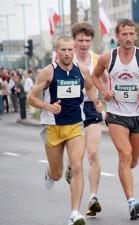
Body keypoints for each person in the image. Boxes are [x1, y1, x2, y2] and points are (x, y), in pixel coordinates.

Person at [91, 18, 139, 220]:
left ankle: (125, 173)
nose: (129, 38)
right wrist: (104, 90)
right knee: (125, 154)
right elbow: (94, 77)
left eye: (132, 34)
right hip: (116, 113)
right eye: (124, 34)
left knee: (133, 160)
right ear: (117, 36)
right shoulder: (107, 58)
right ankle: (132, 201)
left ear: (136, 36)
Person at [27, 36, 102, 225]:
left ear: (74, 50)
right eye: (63, 50)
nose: (67, 53)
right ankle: (50, 172)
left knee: (77, 166)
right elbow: (31, 98)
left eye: (70, 50)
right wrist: (48, 106)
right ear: (57, 51)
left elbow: (91, 87)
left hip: (76, 124)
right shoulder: (48, 72)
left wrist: (96, 100)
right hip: (52, 126)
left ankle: (75, 213)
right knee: (58, 174)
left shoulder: (82, 70)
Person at [64, 22, 103, 217]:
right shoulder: (65, 59)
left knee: (93, 153)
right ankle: (69, 166)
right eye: (80, 40)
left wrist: (101, 98)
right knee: (75, 159)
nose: (84, 43)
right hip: (70, 109)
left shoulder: (97, 59)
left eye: (87, 40)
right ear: (74, 41)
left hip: (90, 107)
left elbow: (102, 81)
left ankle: (93, 197)